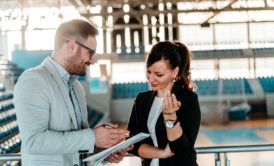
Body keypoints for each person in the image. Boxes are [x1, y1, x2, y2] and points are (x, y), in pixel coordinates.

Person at [13, 19, 132, 166]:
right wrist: (92, 137)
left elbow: (76, 145)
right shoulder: (34, 80)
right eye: (90, 53)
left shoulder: (76, 88)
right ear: (71, 46)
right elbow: (34, 142)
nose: (92, 61)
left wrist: (103, 151)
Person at [127, 41, 201, 166]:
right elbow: (131, 144)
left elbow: (182, 150)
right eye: (149, 72)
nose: (151, 79)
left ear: (174, 72)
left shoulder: (188, 99)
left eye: (158, 74)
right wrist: (161, 153)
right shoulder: (142, 100)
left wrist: (170, 116)